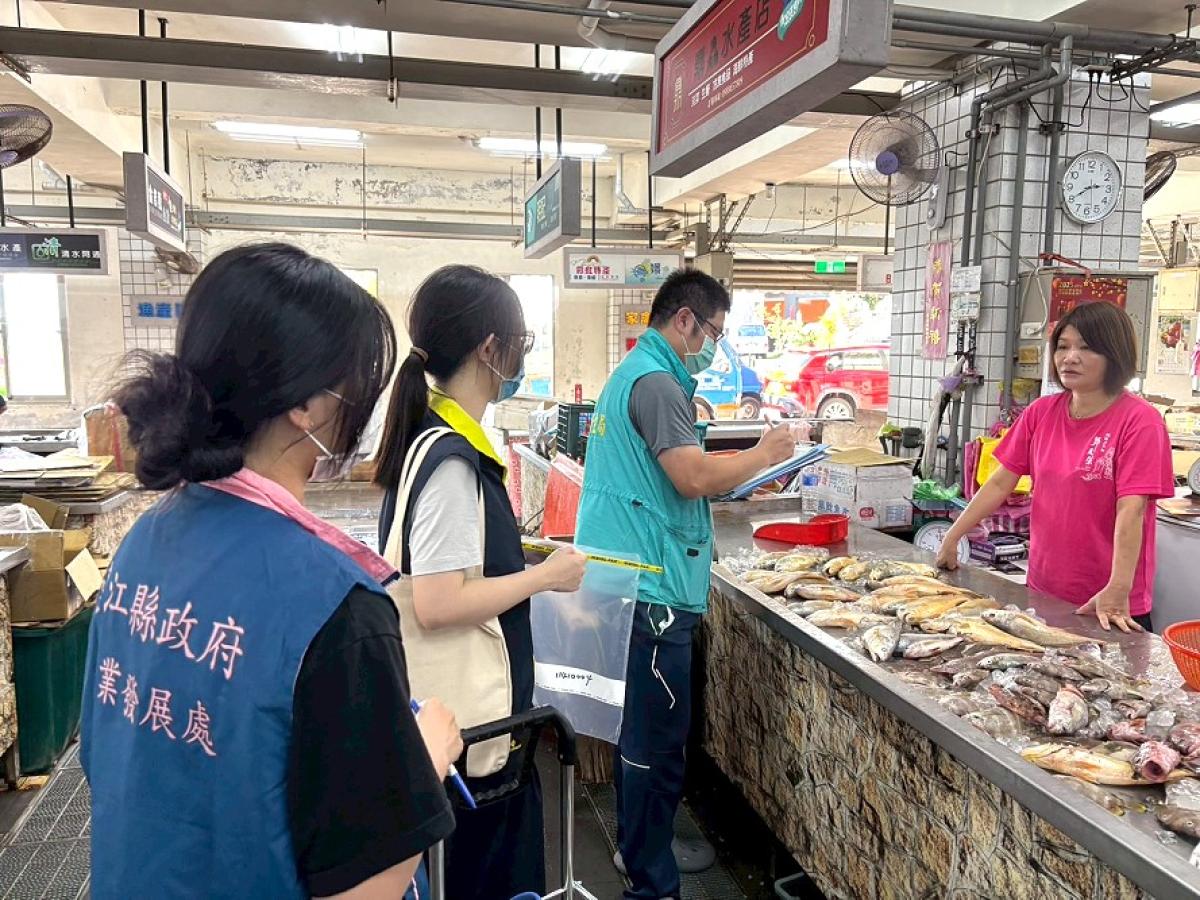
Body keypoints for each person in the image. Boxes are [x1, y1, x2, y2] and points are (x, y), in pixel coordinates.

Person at [81, 243, 462, 899]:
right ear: (307, 404)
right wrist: (422, 762)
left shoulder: (145, 541)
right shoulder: (336, 605)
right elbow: (368, 885)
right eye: (355, 381)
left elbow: (106, 754)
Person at [574, 270, 797, 899]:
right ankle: (652, 883)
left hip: (633, 580)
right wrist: (765, 452)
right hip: (652, 593)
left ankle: (638, 850)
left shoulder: (639, 374)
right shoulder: (655, 382)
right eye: (713, 334)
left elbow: (672, 475)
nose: (713, 347)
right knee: (656, 746)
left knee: (641, 739)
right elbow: (691, 477)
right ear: (684, 320)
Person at [374, 264, 587, 900]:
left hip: (456, 728)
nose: (522, 356)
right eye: (520, 342)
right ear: (490, 349)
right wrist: (543, 576)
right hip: (472, 741)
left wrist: (517, 560)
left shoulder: (430, 436)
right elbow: (438, 602)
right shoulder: (452, 462)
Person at [937, 301, 1174, 633]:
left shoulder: (1140, 421)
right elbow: (1000, 484)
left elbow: (1131, 510)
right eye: (1063, 346)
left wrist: (1119, 588)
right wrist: (952, 536)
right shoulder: (1041, 412)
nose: (1070, 357)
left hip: (1109, 602)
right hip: (1044, 589)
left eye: (1086, 347)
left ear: (1114, 354)